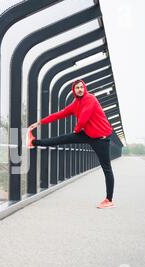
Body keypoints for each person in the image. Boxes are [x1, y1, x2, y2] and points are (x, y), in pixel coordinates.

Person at [28, 79, 116, 209]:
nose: (80, 89)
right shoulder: (75, 103)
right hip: (88, 134)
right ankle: (33, 142)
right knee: (63, 138)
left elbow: (84, 118)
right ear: (73, 90)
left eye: (81, 87)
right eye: (77, 88)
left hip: (101, 138)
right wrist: (39, 122)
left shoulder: (90, 98)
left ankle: (109, 200)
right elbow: (59, 114)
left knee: (106, 168)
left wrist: (76, 130)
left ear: (84, 88)